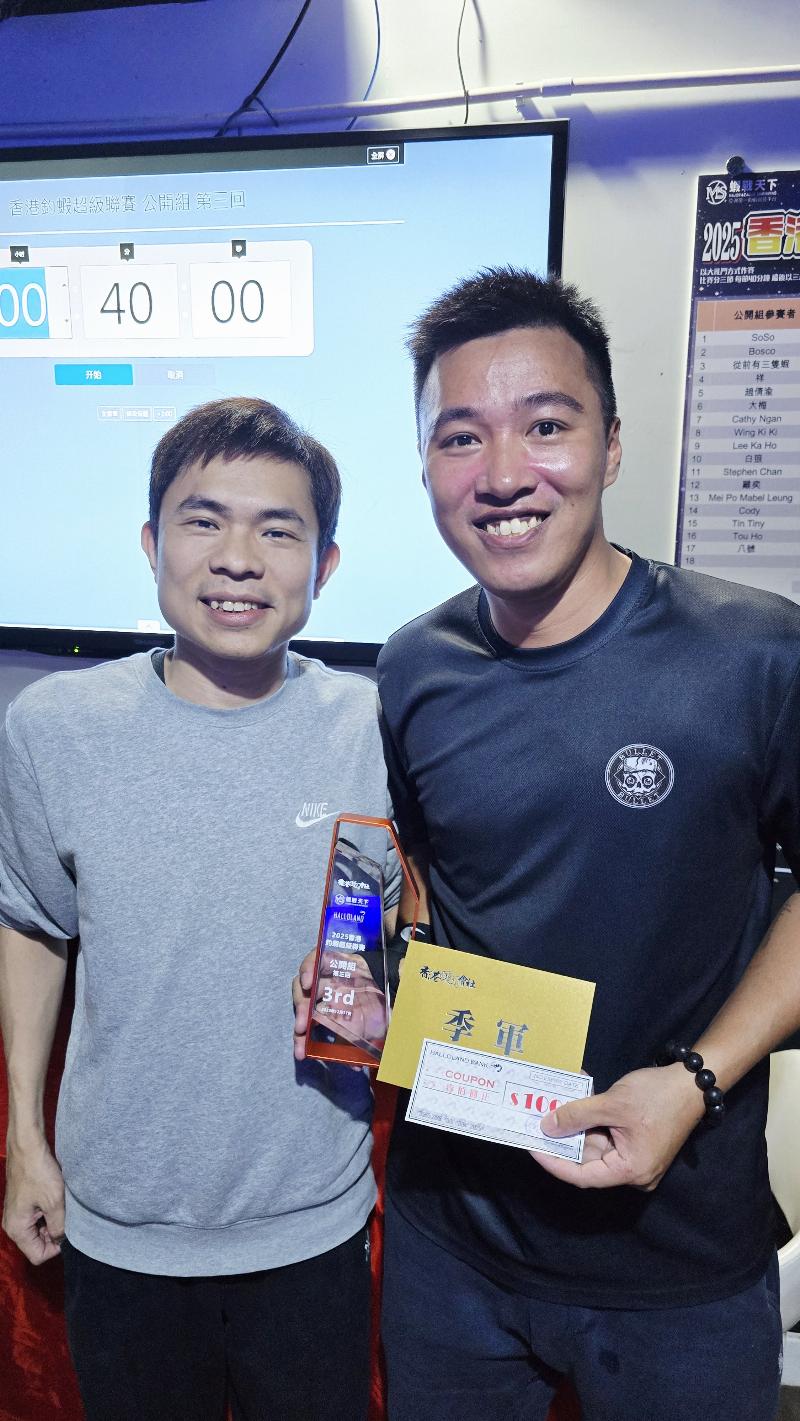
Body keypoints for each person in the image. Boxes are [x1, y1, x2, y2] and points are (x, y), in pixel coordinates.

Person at [374, 268, 800, 1421]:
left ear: (609, 445)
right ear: (425, 465)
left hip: (678, 1266)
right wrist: (370, 978)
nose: (502, 472)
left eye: (545, 425)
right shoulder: (412, 666)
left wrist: (693, 1081)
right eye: (460, 436)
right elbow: (426, 886)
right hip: (448, 1245)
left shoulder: (753, 657)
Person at [0, 396, 398, 1421]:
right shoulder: (54, 727)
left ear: (326, 565)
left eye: (278, 531)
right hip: (120, 1223)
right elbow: (35, 925)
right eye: (203, 520)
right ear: (150, 543)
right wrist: (26, 1143)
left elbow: (415, 931)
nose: (237, 559)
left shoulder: (374, 724)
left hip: (312, 1223)